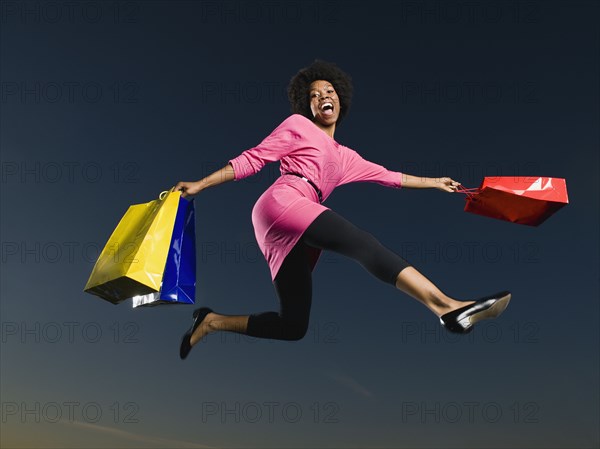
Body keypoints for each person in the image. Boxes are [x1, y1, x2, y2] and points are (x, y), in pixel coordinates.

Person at [173, 60, 510, 360]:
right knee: (363, 244)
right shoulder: (298, 126)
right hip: (284, 201)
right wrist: (202, 183)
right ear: (308, 105)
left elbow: (391, 177)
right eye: (315, 95)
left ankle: (211, 321)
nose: (323, 97)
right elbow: (255, 158)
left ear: (340, 99)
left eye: (329, 91)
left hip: (295, 223)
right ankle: (446, 306)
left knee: (293, 326)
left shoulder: (347, 157)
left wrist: (435, 181)